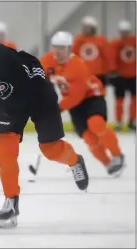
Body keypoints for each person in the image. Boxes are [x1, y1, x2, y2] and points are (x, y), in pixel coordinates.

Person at [0, 24, 88, 228]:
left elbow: (25, 87)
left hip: (38, 96)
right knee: (5, 152)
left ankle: (75, 161)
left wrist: (5, 114)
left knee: (50, 149)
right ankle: (11, 201)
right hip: (9, 102)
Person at [40, 31, 125, 176]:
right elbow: (36, 78)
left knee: (96, 124)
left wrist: (56, 108)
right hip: (74, 104)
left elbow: (76, 96)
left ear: (69, 48)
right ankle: (108, 163)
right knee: (88, 137)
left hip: (91, 97)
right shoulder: (47, 60)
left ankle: (117, 154)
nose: (58, 51)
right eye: (55, 47)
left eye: (62, 48)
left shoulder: (77, 65)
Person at [110, 20, 136, 131]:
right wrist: (112, 71)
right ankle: (119, 122)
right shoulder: (116, 43)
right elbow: (112, 58)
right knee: (119, 100)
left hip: (133, 75)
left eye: (126, 31)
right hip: (120, 76)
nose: (124, 33)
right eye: (122, 31)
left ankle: (131, 121)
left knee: (134, 100)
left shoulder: (134, 41)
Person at [72, 16, 113, 87]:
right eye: (85, 27)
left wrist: (109, 70)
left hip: (98, 73)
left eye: (88, 27)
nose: (86, 29)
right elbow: (73, 55)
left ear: (93, 28)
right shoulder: (78, 40)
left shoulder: (101, 40)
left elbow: (107, 56)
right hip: (83, 73)